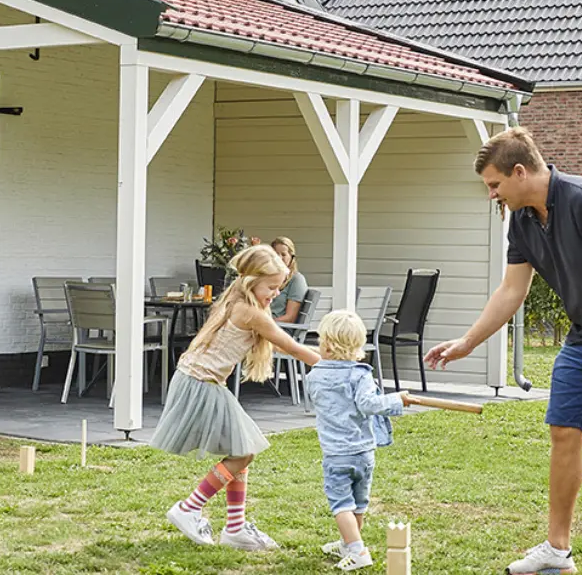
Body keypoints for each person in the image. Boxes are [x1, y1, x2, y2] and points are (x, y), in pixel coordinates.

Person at [424, 127, 582, 575]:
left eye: (494, 184)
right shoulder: (522, 221)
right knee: (563, 431)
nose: (492, 195)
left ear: (520, 171)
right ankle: (557, 550)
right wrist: (468, 342)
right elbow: (511, 291)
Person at [154, 244, 322, 551]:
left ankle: (235, 528)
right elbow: (293, 347)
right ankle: (190, 507)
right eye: (271, 287)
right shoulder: (249, 312)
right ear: (251, 281)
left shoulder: (234, 300)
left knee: (241, 448)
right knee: (243, 453)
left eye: (279, 287)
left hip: (198, 380)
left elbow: (288, 348)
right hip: (201, 383)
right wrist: (335, 363)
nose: (275, 293)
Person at [306, 310, 415, 571]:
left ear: (328, 345)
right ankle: (350, 542)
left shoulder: (315, 376)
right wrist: (396, 399)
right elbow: (371, 404)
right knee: (358, 501)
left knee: (341, 504)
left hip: (337, 454)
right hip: (364, 453)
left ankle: (358, 550)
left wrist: (393, 399)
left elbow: (358, 404)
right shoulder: (361, 375)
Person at [268, 237, 308, 323]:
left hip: (281, 328)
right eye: (276, 254)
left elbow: (290, 318)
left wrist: (264, 324)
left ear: (291, 257)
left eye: (283, 254)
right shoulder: (267, 278)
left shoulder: (296, 280)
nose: (279, 258)